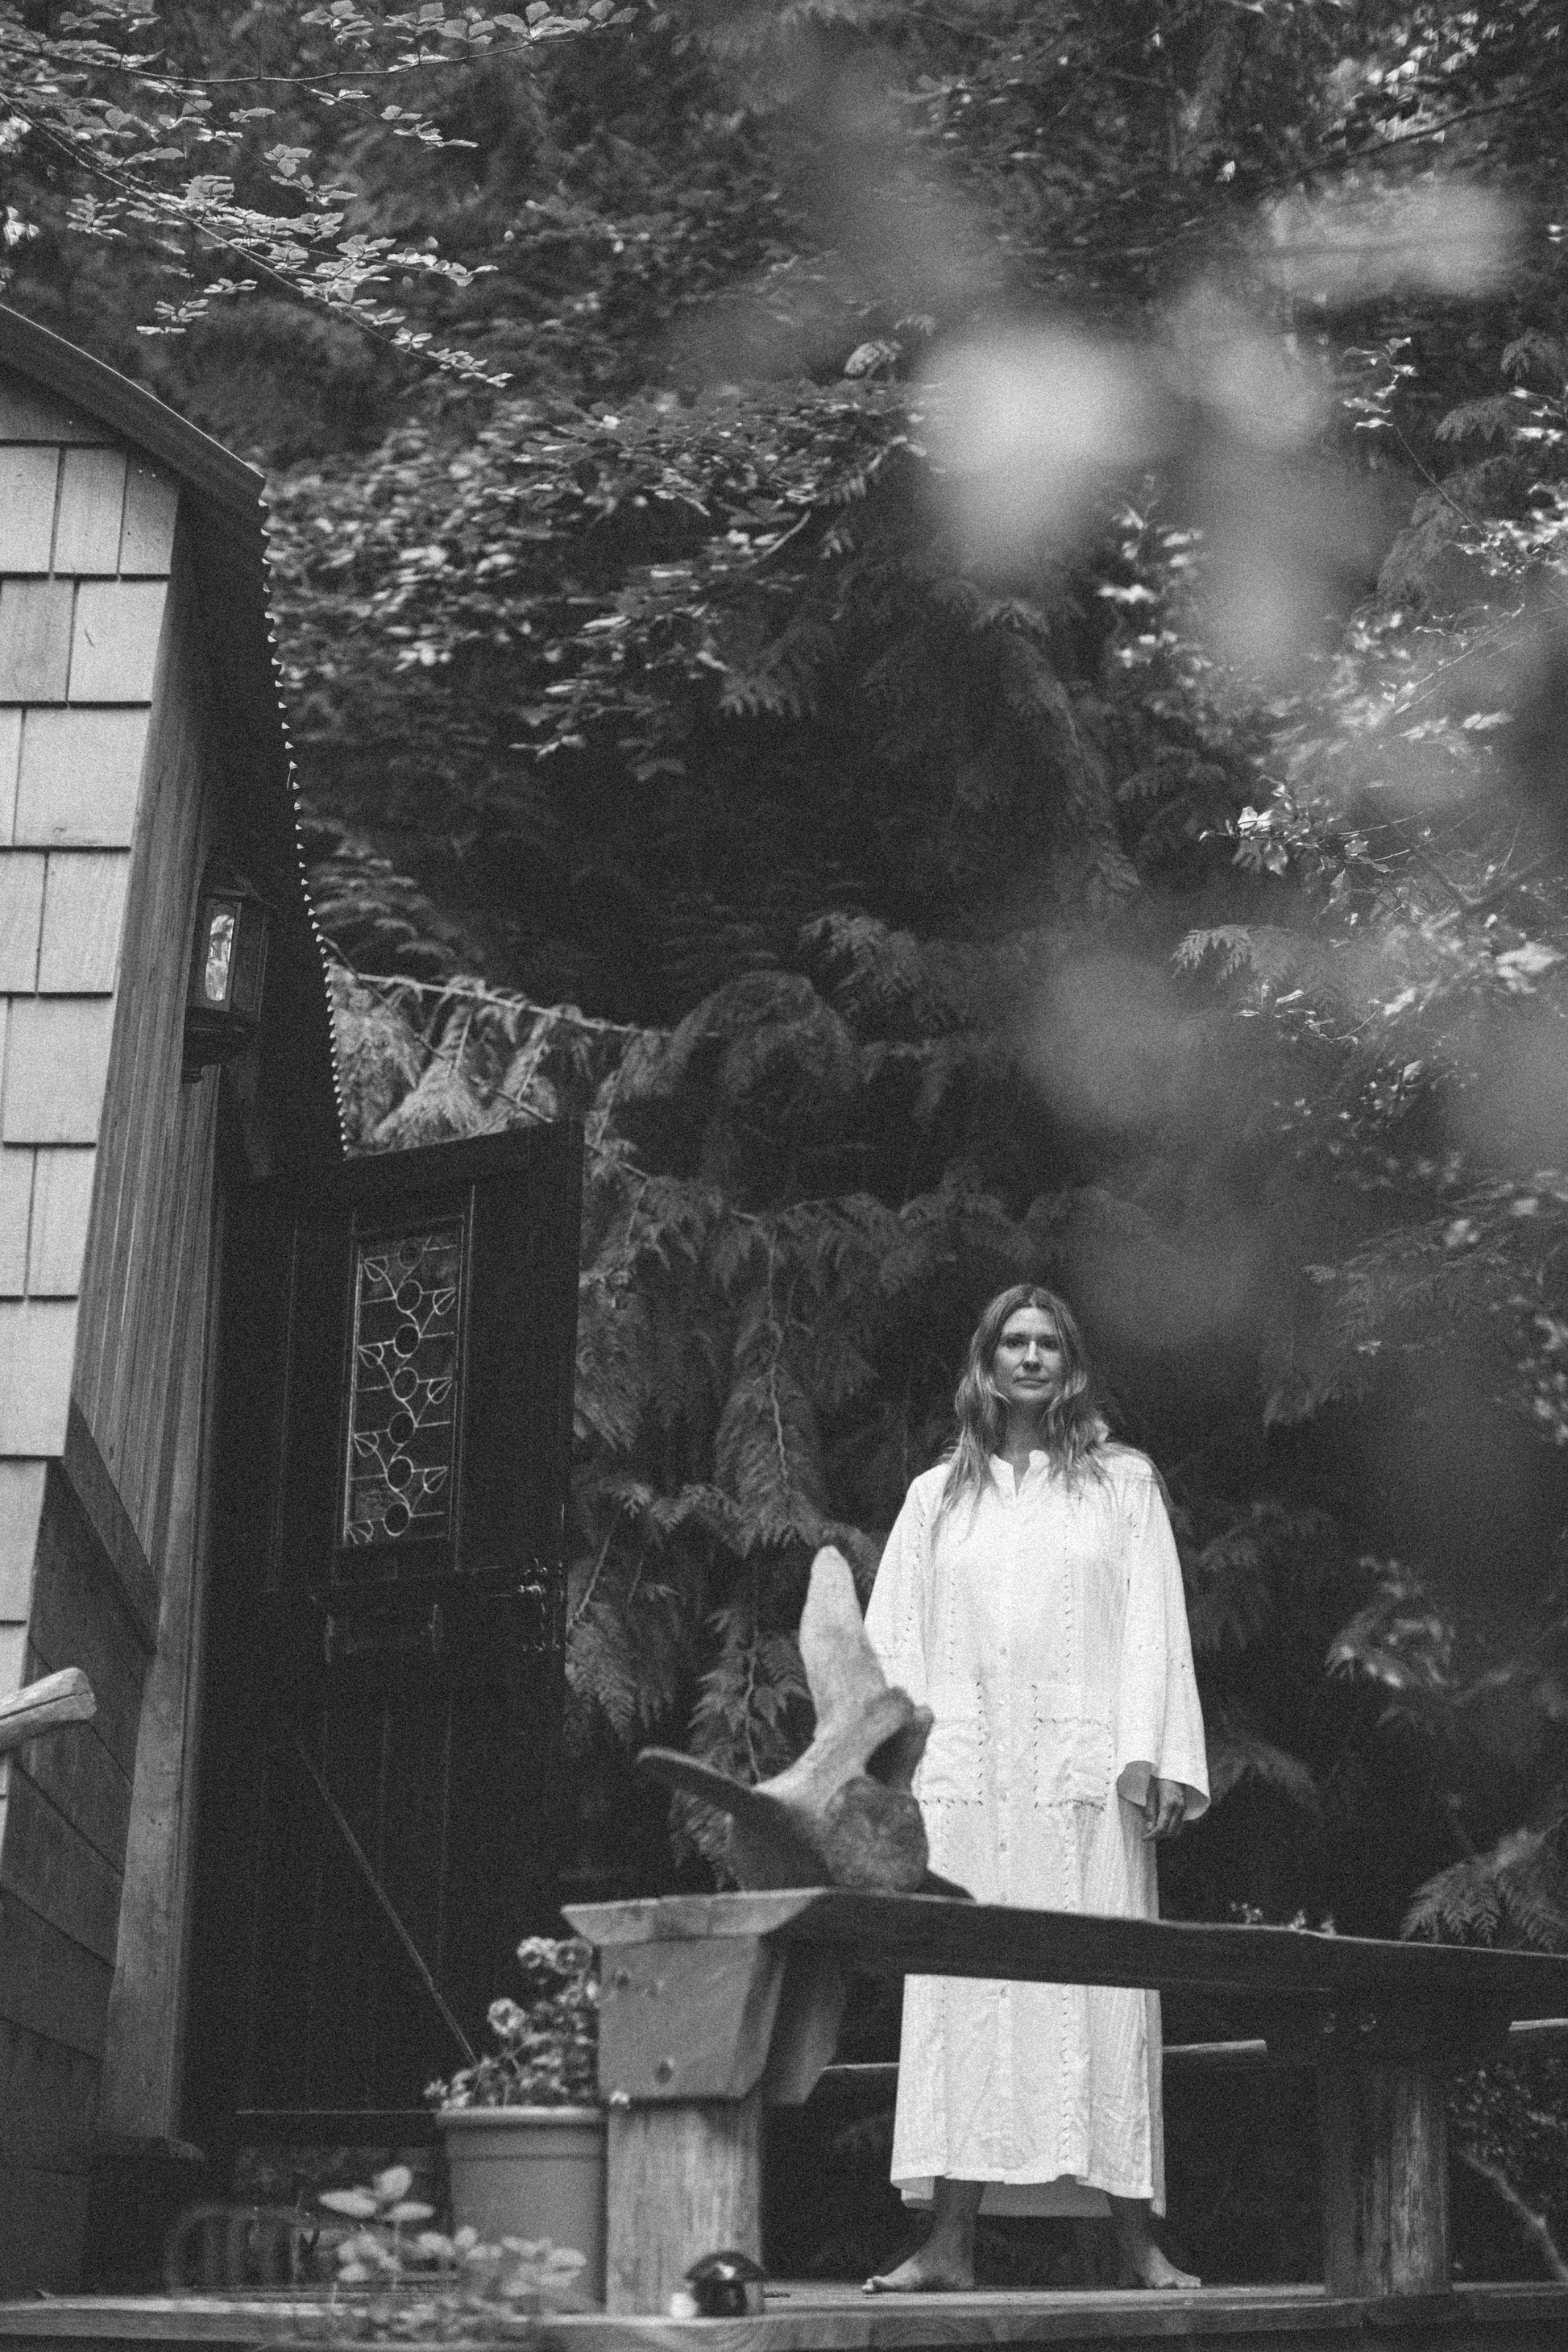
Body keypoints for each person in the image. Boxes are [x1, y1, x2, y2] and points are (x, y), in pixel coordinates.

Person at [861, 1283, 1209, 2293]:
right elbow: (893, 1643)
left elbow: (1154, 1621)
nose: (1027, 1357)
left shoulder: (1119, 1485)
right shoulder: (939, 1498)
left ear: (1070, 1360)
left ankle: (1136, 2243)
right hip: (968, 1786)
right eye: (1009, 1342)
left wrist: (1160, 1756)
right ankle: (947, 2246)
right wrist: (889, 1776)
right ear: (983, 1362)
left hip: (1085, 1782)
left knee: (1103, 1992)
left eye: (1045, 1341)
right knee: (966, 1992)